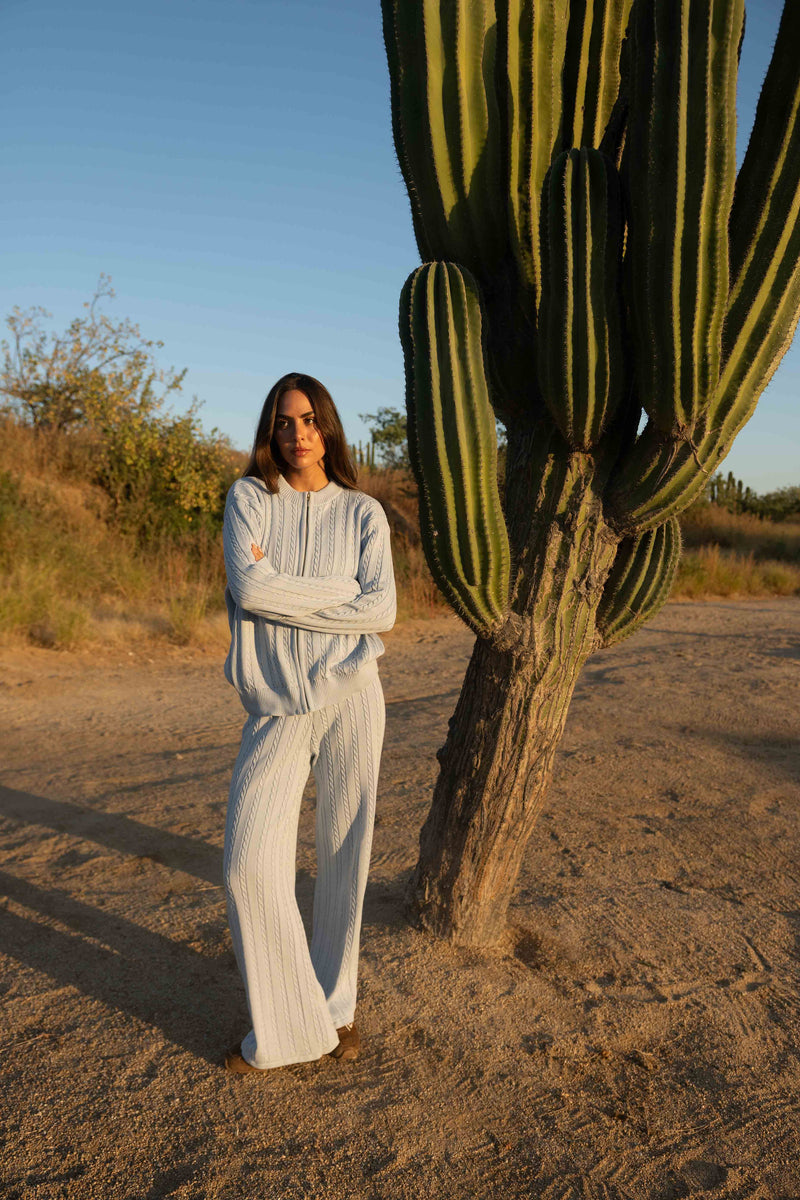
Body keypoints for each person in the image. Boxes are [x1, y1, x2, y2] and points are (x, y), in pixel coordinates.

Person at [221, 371, 396, 1073]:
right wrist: (339, 592)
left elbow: (382, 610)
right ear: (270, 430)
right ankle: (289, 1026)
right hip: (278, 706)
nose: (298, 434)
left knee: (345, 854)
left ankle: (336, 1008)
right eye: (284, 421)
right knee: (246, 863)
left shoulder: (362, 513)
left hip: (353, 695)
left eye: (310, 420)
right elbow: (248, 587)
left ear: (328, 427)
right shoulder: (249, 499)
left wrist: (283, 591)